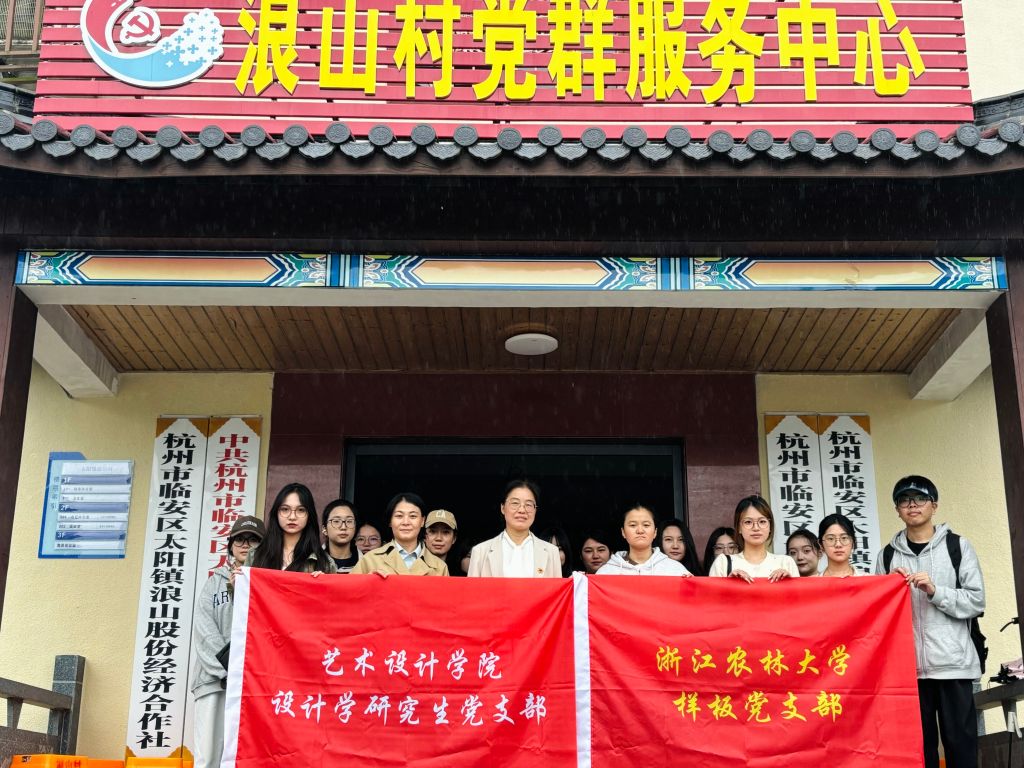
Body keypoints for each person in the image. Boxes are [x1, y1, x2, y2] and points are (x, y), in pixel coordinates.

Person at [875, 475, 985, 768]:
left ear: (934, 506)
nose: (912, 505)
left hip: (953, 666)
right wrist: (888, 588)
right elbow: (877, 615)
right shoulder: (887, 556)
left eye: (920, 499)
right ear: (897, 510)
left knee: (961, 749)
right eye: (904, 500)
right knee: (918, 753)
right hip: (908, 672)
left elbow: (976, 601)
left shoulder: (958, 546)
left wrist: (935, 591)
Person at [191, 515, 265, 768]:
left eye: (253, 540)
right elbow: (205, 632)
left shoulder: (268, 584)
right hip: (215, 682)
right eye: (239, 539)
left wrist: (248, 672)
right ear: (230, 545)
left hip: (253, 684)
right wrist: (230, 669)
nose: (245, 545)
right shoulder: (214, 583)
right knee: (209, 756)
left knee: (246, 757)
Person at [467, 480, 561, 577]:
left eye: (528, 504)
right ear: (502, 508)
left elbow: (558, 587)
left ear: (535, 510)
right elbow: (472, 587)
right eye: (515, 503)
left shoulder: (552, 553)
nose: (522, 510)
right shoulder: (480, 552)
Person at [354, 492, 448, 576]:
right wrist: (366, 582)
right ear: (390, 521)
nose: (406, 522)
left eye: (413, 516)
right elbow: (349, 589)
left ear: (422, 521)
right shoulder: (370, 560)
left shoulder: (440, 567)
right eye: (399, 516)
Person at [249, 483, 336, 573]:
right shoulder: (255, 554)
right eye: (285, 509)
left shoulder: (325, 563)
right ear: (276, 513)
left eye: (301, 510)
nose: (292, 517)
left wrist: (323, 581)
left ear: (310, 515)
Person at [708, 496, 798, 581]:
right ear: (739, 528)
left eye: (762, 521)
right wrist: (729, 583)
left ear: (770, 526)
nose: (756, 528)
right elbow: (711, 592)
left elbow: (798, 592)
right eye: (748, 522)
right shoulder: (723, 563)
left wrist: (788, 583)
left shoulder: (786, 563)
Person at [597, 505, 692, 576]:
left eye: (646, 525)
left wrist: (690, 584)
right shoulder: (607, 572)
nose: (640, 531)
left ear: (655, 532)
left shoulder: (675, 570)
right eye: (633, 525)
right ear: (623, 532)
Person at [817, 513, 863, 578]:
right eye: (831, 539)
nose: (838, 545)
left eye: (844, 538)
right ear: (820, 544)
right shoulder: (813, 583)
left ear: (853, 542)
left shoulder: (869, 580)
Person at [321, 498, 360, 573]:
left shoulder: (366, 563)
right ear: (324, 529)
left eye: (349, 521)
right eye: (336, 521)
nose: (343, 527)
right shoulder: (311, 562)